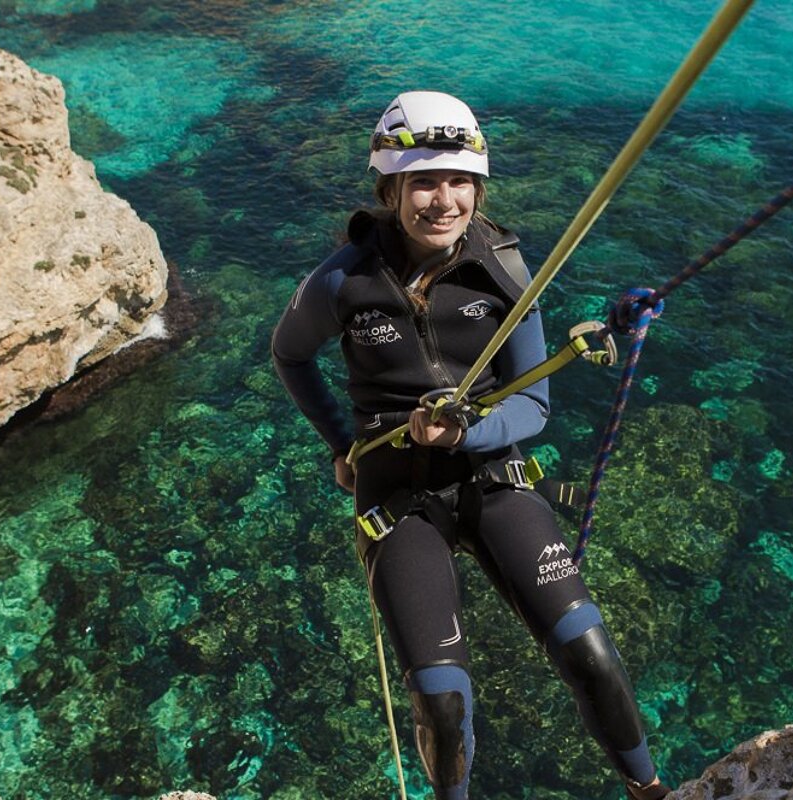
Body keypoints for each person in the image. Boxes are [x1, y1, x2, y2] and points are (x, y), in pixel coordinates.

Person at [271, 90, 669, 800]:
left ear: (480, 188)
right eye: (424, 180)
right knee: (443, 706)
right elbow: (290, 355)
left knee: (595, 656)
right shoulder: (346, 279)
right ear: (389, 188)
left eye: (460, 181)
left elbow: (534, 403)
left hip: (491, 474)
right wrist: (341, 443)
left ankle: (649, 789)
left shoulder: (509, 273)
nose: (443, 200)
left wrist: (469, 429)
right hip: (397, 496)